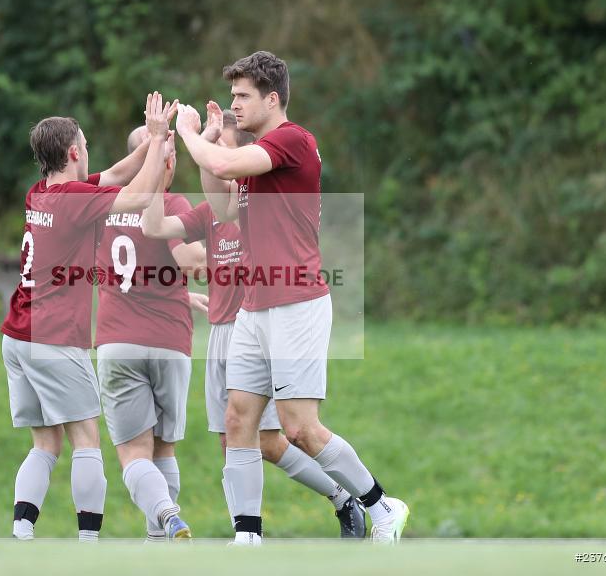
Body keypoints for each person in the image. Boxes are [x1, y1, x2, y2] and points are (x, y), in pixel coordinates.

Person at [175, 51, 409, 545]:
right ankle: (247, 538)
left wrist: (192, 134)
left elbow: (220, 161)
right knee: (239, 418)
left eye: (243, 96)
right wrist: (213, 142)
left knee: (300, 427)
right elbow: (222, 206)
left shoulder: (291, 140)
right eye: (233, 95)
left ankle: (381, 504)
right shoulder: (259, 153)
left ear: (272, 98)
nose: (235, 104)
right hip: (255, 307)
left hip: (296, 302)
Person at [141, 109, 366, 539]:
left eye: (225, 145)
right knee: (237, 437)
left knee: (275, 436)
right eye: (215, 145)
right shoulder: (215, 207)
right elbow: (166, 236)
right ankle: (247, 534)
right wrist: (157, 163)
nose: (216, 153)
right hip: (225, 328)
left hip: (263, 321)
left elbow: (198, 257)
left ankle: (341, 497)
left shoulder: (262, 196)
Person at [0, 92, 176, 542]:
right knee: (86, 439)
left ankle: (21, 532)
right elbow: (136, 196)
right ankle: (88, 544)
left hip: (17, 335)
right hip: (53, 337)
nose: (91, 151)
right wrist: (156, 143)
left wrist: (155, 140)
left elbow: (117, 174)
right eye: (86, 144)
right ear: (74, 152)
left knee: (45, 443)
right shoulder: (72, 200)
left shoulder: (42, 192)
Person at [91, 123, 206, 541]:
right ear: (163, 159)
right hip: (170, 340)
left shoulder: (101, 204)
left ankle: (166, 516)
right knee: (164, 450)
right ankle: (164, 540)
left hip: (118, 340)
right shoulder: (171, 202)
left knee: (133, 454)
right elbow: (190, 261)